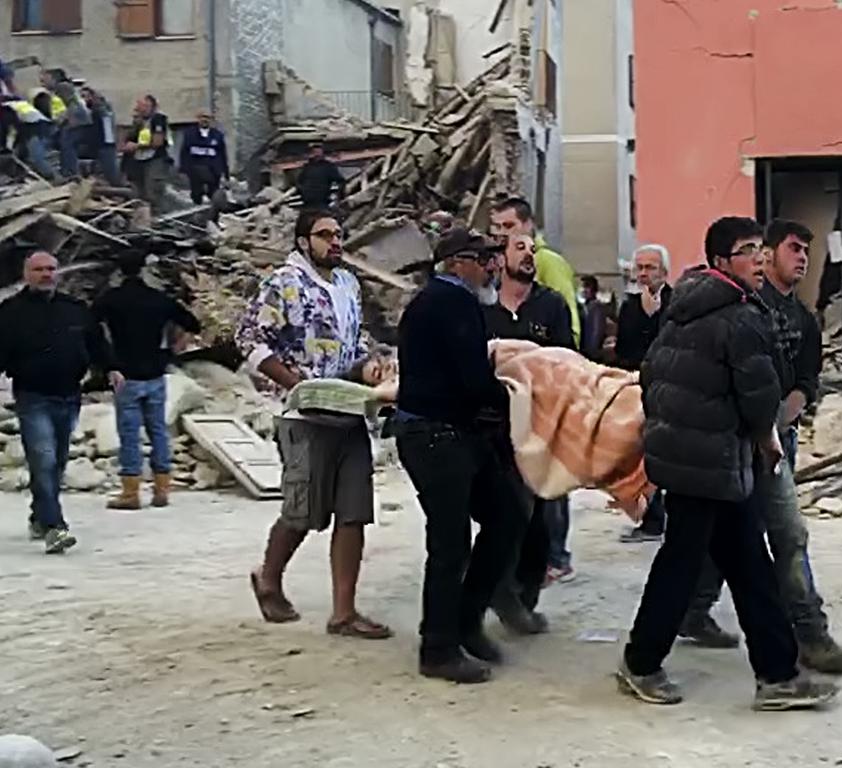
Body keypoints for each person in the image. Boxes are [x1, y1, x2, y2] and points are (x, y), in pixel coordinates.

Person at [616, 216, 839, 711]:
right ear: (722, 261)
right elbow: (761, 400)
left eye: (761, 247)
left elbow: (653, 375)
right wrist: (767, 437)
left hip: (700, 461)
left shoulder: (684, 309)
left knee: (748, 564)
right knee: (682, 565)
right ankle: (640, 662)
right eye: (747, 250)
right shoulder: (741, 316)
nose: (759, 258)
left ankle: (777, 676)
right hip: (711, 463)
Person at [681, 220, 842, 673]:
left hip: (775, 445)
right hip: (730, 442)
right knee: (731, 535)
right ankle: (695, 610)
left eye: (805, 250)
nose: (801, 257)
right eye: (793, 248)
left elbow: (805, 383)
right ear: (766, 253)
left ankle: (809, 633)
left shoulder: (802, 319)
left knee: (786, 534)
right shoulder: (740, 304)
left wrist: (775, 425)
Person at [236, 209, 391, 639]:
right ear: (304, 241)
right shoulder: (284, 283)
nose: (335, 242)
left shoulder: (348, 284)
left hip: (349, 410)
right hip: (305, 414)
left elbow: (356, 340)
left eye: (339, 234)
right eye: (326, 235)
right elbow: (249, 337)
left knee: (354, 513)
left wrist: (369, 366)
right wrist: (291, 381)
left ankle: (343, 612)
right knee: (302, 510)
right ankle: (268, 575)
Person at [395, 226, 524, 684]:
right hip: (436, 436)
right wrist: (521, 398)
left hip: (453, 432)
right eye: (482, 257)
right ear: (456, 263)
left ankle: (466, 621)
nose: (492, 265)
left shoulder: (442, 301)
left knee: (507, 515)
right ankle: (439, 648)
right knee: (450, 543)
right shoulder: (451, 302)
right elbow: (472, 378)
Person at [481, 232, 574, 635]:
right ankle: (503, 593)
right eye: (520, 248)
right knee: (507, 515)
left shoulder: (550, 304)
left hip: (541, 425)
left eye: (532, 249)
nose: (529, 255)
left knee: (541, 520)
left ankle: (524, 595)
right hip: (493, 428)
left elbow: (567, 359)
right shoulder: (483, 308)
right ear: (500, 259)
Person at [0, 251, 122, 554]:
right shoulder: (10, 312)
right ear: (26, 274)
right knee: (43, 459)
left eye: (51, 269)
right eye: (39, 269)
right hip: (32, 396)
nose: (46, 274)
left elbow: (96, 343)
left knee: (57, 462)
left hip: (69, 396)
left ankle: (40, 515)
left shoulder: (75, 309)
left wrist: (112, 368)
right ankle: (56, 527)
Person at [94, 250, 201, 510]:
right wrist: (175, 348)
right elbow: (193, 323)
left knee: (129, 434)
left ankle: (130, 493)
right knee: (159, 432)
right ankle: (162, 489)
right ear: (143, 269)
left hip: (125, 374)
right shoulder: (158, 299)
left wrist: (106, 361)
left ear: (119, 272)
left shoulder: (111, 300)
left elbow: (89, 327)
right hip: (156, 372)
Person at [614, 244, 674, 544]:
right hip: (639, 389)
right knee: (643, 458)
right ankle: (651, 519)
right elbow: (624, 350)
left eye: (649, 268)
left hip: (673, 390)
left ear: (664, 271)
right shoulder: (629, 307)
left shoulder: (678, 302)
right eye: (639, 268)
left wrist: (655, 316)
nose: (643, 274)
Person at [490, 197, 581, 347]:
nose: (503, 233)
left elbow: (571, 326)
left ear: (527, 225)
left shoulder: (549, 262)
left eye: (509, 226)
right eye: (499, 227)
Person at [123, 95, 171, 212]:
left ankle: (158, 217)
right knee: (139, 192)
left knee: (153, 191)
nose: (139, 108)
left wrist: (137, 146)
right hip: (138, 160)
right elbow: (127, 139)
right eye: (138, 106)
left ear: (151, 107)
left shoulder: (158, 119)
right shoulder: (139, 122)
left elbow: (157, 141)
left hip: (155, 159)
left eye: (143, 106)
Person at [180, 110, 229, 204]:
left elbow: (222, 155)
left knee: (214, 195)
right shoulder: (190, 134)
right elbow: (184, 152)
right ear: (198, 119)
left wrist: (225, 173)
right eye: (202, 117)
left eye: (207, 117)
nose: (204, 120)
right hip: (195, 169)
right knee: (196, 194)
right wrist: (183, 169)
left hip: (213, 171)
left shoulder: (217, 135)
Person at [80, 86, 119, 185]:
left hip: (105, 145)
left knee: (110, 173)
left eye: (86, 96)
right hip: (101, 145)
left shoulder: (98, 111)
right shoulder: (98, 110)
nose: (84, 99)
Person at [296, 142, 343, 209]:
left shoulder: (328, 166)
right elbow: (299, 181)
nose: (317, 152)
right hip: (308, 202)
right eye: (314, 150)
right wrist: (303, 192)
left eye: (318, 150)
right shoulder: (307, 167)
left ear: (322, 151)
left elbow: (340, 181)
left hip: (322, 201)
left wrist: (337, 197)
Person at [579, 275, 609, 361]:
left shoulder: (596, 307)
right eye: (583, 286)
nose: (584, 290)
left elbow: (596, 331)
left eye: (587, 286)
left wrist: (591, 353)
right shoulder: (585, 306)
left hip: (590, 354)